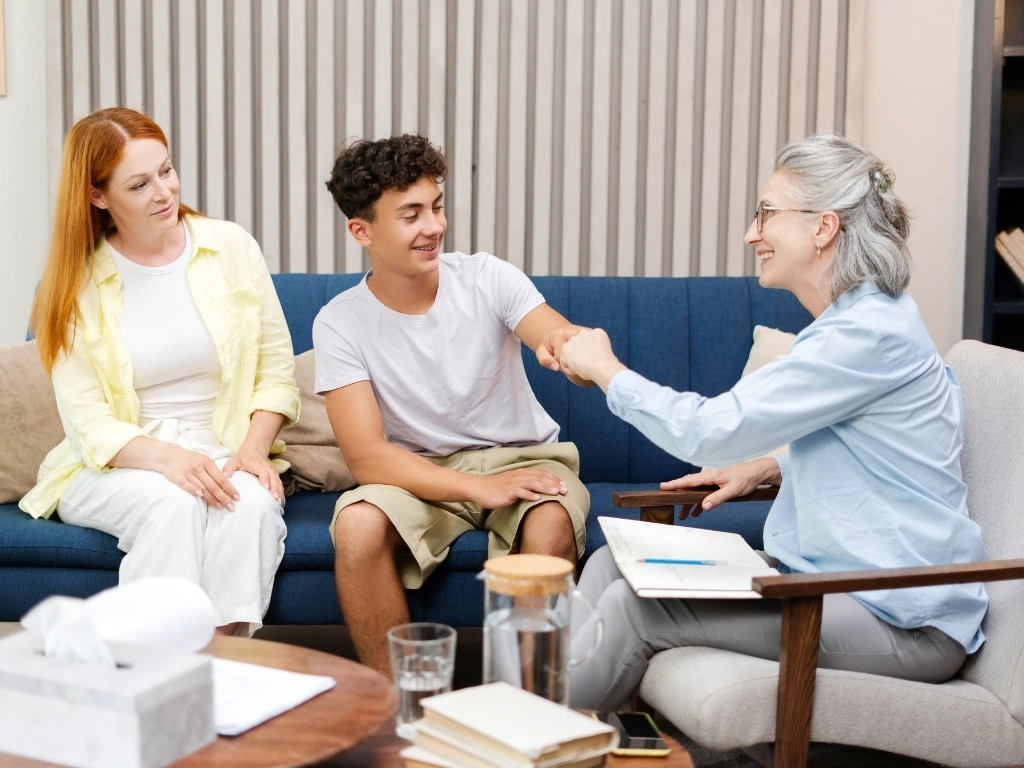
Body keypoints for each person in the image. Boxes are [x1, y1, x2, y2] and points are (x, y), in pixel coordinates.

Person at [557, 134, 988, 711]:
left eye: (766, 213)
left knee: (638, 604)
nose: (751, 234)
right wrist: (770, 465)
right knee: (613, 560)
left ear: (823, 227)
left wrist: (606, 369)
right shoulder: (862, 323)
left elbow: (707, 430)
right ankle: (557, 719)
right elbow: (885, 450)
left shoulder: (864, 336)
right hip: (837, 583)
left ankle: (525, 738)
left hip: (901, 617)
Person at [315, 134, 591, 676]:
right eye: (411, 214)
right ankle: (400, 716)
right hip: (417, 475)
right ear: (361, 230)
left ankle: (529, 712)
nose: (434, 226)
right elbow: (368, 459)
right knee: (357, 526)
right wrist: (476, 488)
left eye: (436, 207)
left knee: (551, 520)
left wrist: (572, 351)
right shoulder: (339, 321)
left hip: (522, 459)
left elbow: (555, 334)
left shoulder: (488, 277)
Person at [20, 107, 300, 637]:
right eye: (140, 184)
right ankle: (146, 670)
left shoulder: (230, 246)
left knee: (251, 511)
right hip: (115, 463)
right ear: (99, 196)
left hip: (226, 449)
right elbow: (89, 423)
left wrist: (253, 450)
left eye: (166, 171)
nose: (164, 192)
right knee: (174, 504)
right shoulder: (73, 286)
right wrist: (171, 460)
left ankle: (223, 663)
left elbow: (275, 369)